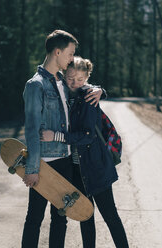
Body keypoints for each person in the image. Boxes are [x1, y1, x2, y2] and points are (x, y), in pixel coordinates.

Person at [22, 30, 103, 248]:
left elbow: (84, 88)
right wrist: (32, 168)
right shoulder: (35, 85)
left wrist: (100, 90)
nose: (71, 59)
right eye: (70, 54)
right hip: (44, 163)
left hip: (65, 161)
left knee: (60, 218)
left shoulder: (63, 81)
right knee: (34, 219)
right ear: (57, 52)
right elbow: (31, 129)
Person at [41, 56, 129, 248]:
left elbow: (88, 136)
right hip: (76, 169)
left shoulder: (89, 98)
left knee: (110, 216)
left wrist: (56, 136)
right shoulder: (63, 95)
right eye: (71, 78)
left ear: (87, 78)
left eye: (80, 80)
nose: (75, 83)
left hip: (96, 166)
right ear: (64, 75)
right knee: (86, 216)